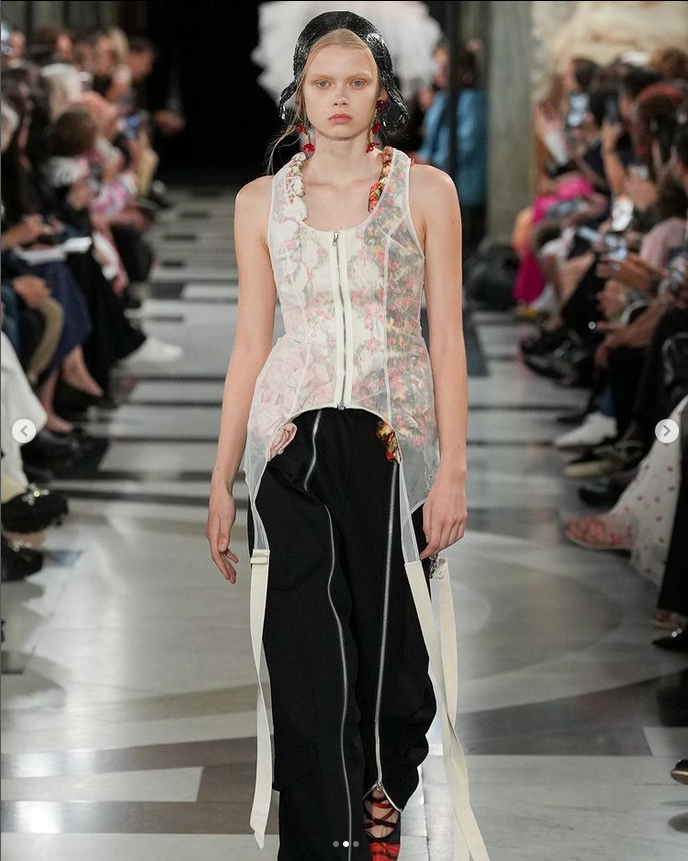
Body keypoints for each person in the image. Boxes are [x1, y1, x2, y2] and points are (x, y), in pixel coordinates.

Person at [206, 12, 490, 861]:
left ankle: (381, 790)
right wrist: (221, 478)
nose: (339, 97)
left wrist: (455, 472)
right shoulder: (261, 202)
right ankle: (325, 835)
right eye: (323, 83)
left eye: (357, 82)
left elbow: (447, 339)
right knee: (304, 649)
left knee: (393, 652)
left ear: (381, 93)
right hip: (288, 444)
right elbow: (251, 341)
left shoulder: (424, 191)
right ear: (298, 92)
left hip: (395, 445)